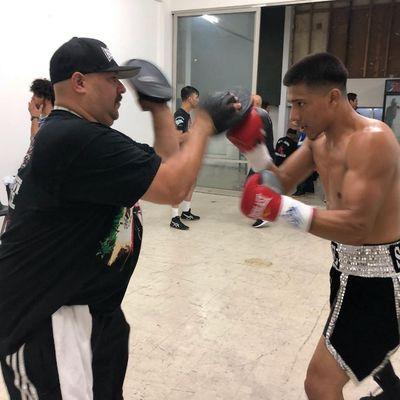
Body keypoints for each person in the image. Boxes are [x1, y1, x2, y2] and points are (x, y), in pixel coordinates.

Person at [0, 36, 240, 399]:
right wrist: (203, 122)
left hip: (93, 311)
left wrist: (159, 107)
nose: (121, 90)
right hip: (47, 320)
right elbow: (174, 187)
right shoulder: (74, 139)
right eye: (111, 80)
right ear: (79, 82)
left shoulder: (83, 135)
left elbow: (162, 166)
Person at [228, 52, 400, 399]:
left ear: (333, 98)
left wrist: (280, 210)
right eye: (292, 105)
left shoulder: (372, 140)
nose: (294, 116)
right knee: (360, 350)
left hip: (381, 280)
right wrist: (254, 150)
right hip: (347, 270)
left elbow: (357, 226)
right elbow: (282, 182)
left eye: (301, 104)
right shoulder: (319, 142)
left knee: (320, 382)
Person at [170, 85, 200, 230]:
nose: (198, 100)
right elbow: (178, 137)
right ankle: (174, 218)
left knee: (192, 182)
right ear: (189, 99)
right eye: (196, 97)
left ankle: (186, 212)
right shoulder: (180, 115)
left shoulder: (187, 115)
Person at [248, 94, 275, 228]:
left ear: (255, 104)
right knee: (254, 185)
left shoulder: (260, 116)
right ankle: (262, 213)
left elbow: (259, 137)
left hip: (264, 157)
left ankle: (264, 215)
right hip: (262, 157)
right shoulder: (262, 114)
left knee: (256, 186)